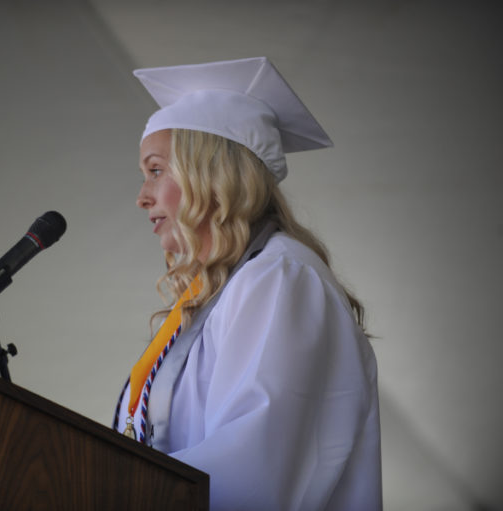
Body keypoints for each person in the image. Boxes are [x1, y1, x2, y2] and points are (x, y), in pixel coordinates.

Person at [113, 57, 382, 510]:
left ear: (210, 174)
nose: (142, 197)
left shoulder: (280, 278)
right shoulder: (217, 292)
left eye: (156, 171)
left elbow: (254, 469)